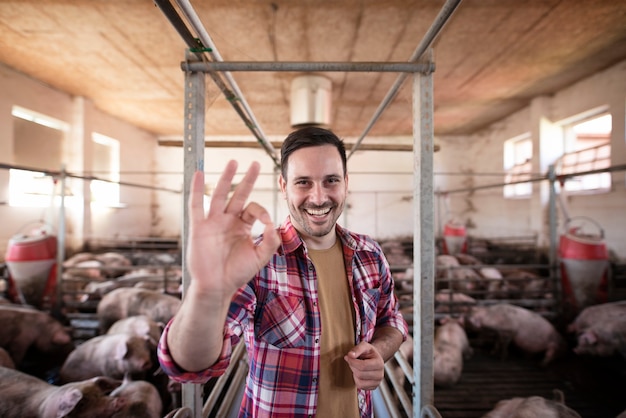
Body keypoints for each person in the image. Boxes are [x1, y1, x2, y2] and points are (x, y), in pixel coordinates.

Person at [157, 126, 409, 417]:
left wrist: (379, 350)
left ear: (346, 183)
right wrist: (206, 292)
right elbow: (190, 365)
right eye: (303, 182)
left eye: (331, 181)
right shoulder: (257, 260)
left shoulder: (370, 254)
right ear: (283, 185)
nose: (318, 197)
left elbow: (391, 319)